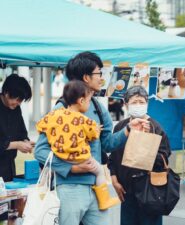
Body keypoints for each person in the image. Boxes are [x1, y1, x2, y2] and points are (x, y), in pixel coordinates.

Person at [34, 51, 149, 225]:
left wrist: (128, 130)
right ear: (86, 77)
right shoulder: (62, 109)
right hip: (69, 188)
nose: (102, 77)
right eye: (99, 73)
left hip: (97, 188)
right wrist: (71, 169)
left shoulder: (98, 107)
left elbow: (107, 144)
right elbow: (40, 151)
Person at [36, 80, 120, 210]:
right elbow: (93, 135)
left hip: (63, 156)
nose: (89, 104)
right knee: (99, 171)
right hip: (82, 158)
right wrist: (96, 129)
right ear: (81, 101)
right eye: (88, 101)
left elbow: (41, 125)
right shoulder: (84, 120)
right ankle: (104, 199)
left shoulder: (54, 115)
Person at [108, 85, 171, 225]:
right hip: (126, 190)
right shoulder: (121, 127)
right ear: (126, 104)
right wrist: (114, 180)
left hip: (150, 191)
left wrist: (147, 138)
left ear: (147, 104)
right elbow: (113, 157)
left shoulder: (155, 127)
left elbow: (163, 158)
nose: (138, 105)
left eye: (142, 102)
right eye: (134, 102)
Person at [0, 74, 34, 182]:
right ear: (6, 93)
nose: (18, 103)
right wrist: (17, 145)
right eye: (17, 99)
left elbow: (21, 131)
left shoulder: (16, 109)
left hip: (9, 166)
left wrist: (25, 141)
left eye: (21, 100)